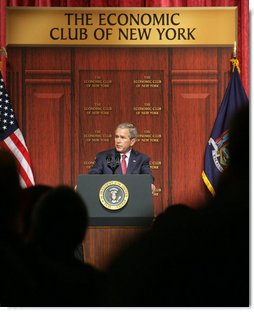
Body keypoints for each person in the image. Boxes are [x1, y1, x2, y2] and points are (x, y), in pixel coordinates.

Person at [89, 122, 155, 193]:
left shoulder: (141, 159)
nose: (118, 141)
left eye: (122, 137)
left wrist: (149, 184)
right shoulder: (103, 157)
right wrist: (83, 184)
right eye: (116, 137)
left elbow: (148, 177)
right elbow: (92, 176)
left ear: (132, 142)